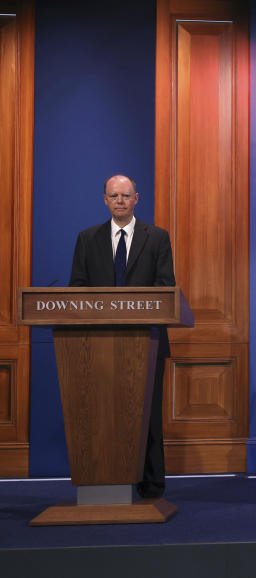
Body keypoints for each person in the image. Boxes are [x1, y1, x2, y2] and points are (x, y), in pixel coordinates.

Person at [69, 174, 175, 499]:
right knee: (102, 415)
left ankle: (151, 484)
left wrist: (131, 308)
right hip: (97, 346)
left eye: (125, 196)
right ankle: (105, 478)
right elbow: (78, 289)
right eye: (113, 195)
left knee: (147, 417)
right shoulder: (87, 239)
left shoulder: (156, 238)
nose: (119, 201)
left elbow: (164, 287)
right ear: (104, 200)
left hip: (147, 342)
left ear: (136, 199)